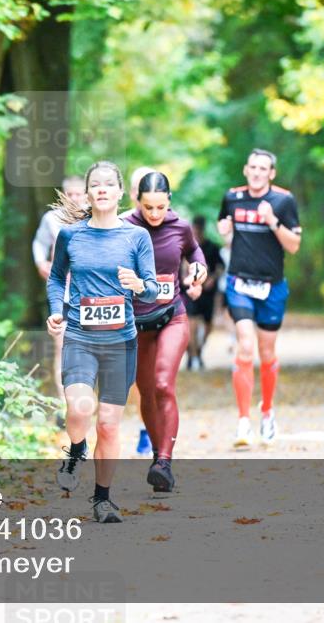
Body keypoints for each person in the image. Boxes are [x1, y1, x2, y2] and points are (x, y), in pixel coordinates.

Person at [48, 160, 159, 522]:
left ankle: (102, 499)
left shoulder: (136, 237)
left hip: (120, 342)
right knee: (80, 408)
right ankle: (77, 448)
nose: (102, 189)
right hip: (80, 337)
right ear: (88, 192)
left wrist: (139, 285)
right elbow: (56, 279)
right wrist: (57, 311)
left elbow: (153, 288)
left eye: (109, 184)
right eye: (95, 184)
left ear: (120, 192)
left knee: (109, 423)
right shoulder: (71, 236)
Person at [125, 172, 207, 492]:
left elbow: (194, 253)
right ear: (138, 201)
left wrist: (198, 271)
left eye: (161, 207)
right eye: (148, 207)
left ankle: (164, 461)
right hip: (137, 323)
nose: (155, 214)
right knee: (146, 392)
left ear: (169, 201)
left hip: (172, 316)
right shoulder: (123, 226)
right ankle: (159, 459)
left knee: (162, 384)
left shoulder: (180, 226)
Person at [217, 149, 301, 447]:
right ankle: (243, 422)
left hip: (272, 287)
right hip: (239, 283)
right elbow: (224, 228)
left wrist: (272, 221)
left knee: (266, 353)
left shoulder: (284, 201)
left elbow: (294, 245)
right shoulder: (232, 198)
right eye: (252, 167)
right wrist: (224, 230)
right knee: (245, 346)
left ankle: (267, 412)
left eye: (262, 168)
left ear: (271, 173)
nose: (256, 172)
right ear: (245, 169)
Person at [32, 176, 88, 415]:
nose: (74, 199)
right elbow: (39, 243)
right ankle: (65, 406)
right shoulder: (52, 219)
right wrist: (40, 263)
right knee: (62, 347)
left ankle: (85, 397)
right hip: (62, 293)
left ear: (86, 195)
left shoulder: (95, 218)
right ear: (63, 196)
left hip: (89, 295)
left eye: (78, 194)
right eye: (70, 194)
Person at [120, 166, 157, 457]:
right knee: (136, 376)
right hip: (128, 310)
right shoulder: (119, 224)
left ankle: (153, 428)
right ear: (133, 193)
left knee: (158, 375)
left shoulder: (168, 220)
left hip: (161, 310)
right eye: (140, 188)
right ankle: (145, 425)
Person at [183, 216, 224, 370]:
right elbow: (181, 267)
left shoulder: (212, 247)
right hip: (190, 291)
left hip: (208, 293)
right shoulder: (186, 247)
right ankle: (192, 357)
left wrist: (212, 278)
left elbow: (220, 267)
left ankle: (198, 352)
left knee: (208, 326)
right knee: (191, 326)